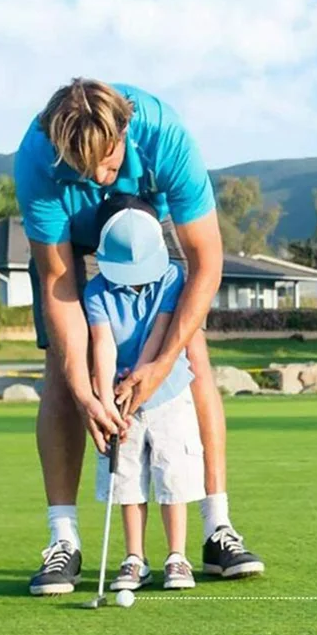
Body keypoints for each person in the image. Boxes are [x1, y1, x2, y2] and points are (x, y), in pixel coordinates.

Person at [16, 79, 263, 596]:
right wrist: (85, 391)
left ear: (125, 131)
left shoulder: (165, 136)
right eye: (83, 169)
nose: (97, 178)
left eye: (107, 164)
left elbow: (206, 263)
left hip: (144, 230)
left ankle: (217, 527)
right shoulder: (38, 159)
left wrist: (161, 362)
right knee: (61, 372)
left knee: (191, 357)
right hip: (74, 241)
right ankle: (64, 540)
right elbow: (60, 284)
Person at [88, 196, 203, 590]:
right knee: (127, 479)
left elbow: (160, 333)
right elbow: (103, 345)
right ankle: (134, 558)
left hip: (168, 393)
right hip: (122, 400)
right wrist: (107, 402)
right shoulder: (96, 291)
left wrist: (138, 380)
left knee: (173, 474)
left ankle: (177, 557)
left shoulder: (171, 277)